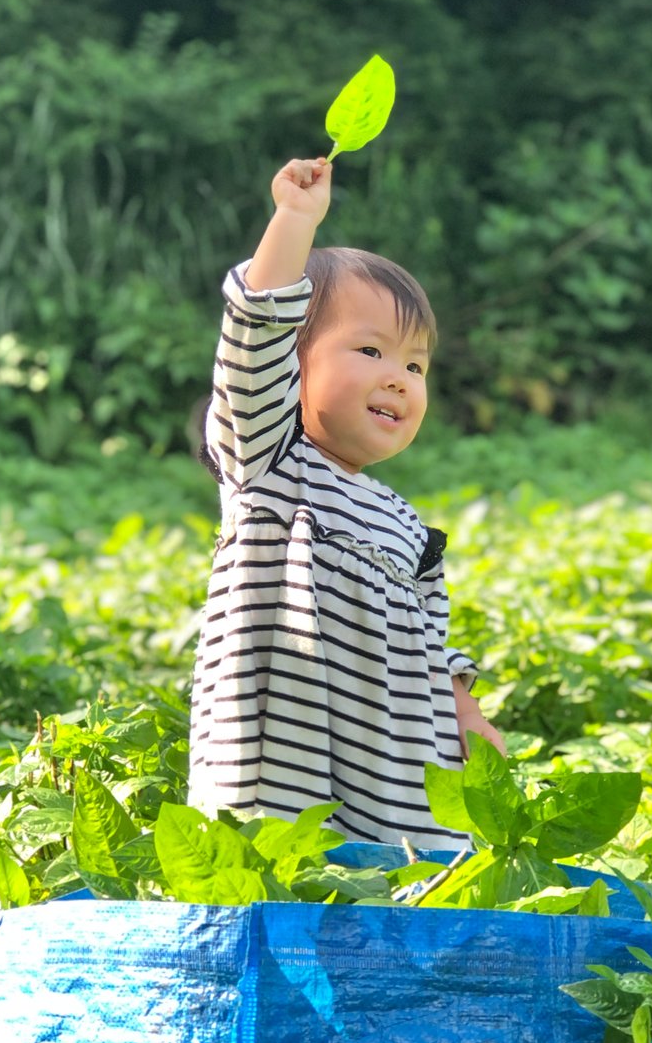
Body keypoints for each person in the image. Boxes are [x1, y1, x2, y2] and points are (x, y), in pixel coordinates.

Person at [188, 155, 505, 846]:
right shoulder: (269, 463)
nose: (398, 378)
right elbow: (255, 333)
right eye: (370, 351)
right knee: (278, 872)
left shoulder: (407, 526)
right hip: (282, 766)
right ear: (292, 366)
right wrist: (295, 220)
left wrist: (465, 713)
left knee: (404, 882)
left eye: (414, 364)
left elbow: (434, 638)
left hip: (392, 776)